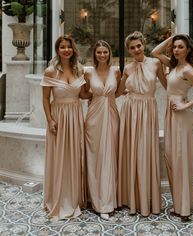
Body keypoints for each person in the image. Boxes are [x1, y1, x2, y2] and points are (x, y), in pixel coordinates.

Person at [151, 34, 193, 222]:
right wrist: (171, 38)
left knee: (181, 158)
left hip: (183, 117)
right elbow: (154, 52)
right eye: (174, 47)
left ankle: (184, 207)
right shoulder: (173, 66)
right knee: (171, 157)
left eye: (180, 47)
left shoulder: (188, 70)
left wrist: (186, 106)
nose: (176, 50)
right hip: (171, 115)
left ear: (188, 50)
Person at [41, 35, 91, 220]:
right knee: (59, 157)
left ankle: (74, 198)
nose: (66, 50)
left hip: (76, 116)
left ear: (73, 49)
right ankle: (58, 198)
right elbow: (45, 98)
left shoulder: (80, 70)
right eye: (62, 47)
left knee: (74, 156)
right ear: (57, 50)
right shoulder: (50, 72)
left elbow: (84, 95)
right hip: (59, 118)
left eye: (69, 47)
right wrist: (50, 120)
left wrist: (104, 93)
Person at [117, 31, 166, 217]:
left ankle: (147, 198)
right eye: (132, 47)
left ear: (143, 44)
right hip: (130, 110)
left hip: (148, 110)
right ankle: (131, 198)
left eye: (139, 45)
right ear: (128, 50)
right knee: (131, 151)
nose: (136, 49)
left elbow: (168, 85)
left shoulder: (155, 63)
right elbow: (119, 91)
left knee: (146, 151)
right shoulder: (127, 68)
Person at [85, 40, 121, 220]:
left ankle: (109, 200)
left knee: (110, 155)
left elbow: (120, 91)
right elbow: (83, 93)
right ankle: (96, 200)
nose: (102, 55)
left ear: (109, 53)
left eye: (105, 52)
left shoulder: (116, 71)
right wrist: (94, 97)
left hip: (113, 115)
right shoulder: (88, 72)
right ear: (94, 54)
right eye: (98, 52)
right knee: (95, 156)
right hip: (94, 117)